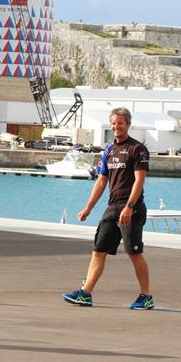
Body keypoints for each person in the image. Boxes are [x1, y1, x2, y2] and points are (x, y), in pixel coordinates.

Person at [62, 107, 154, 310]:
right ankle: (85, 293)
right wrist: (88, 208)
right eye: (113, 123)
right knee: (99, 250)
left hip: (132, 209)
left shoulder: (137, 149)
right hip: (112, 208)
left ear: (127, 125)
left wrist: (129, 207)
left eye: (120, 123)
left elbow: (140, 181)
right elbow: (101, 181)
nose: (116, 127)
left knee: (134, 252)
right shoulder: (109, 151)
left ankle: (146, 296)